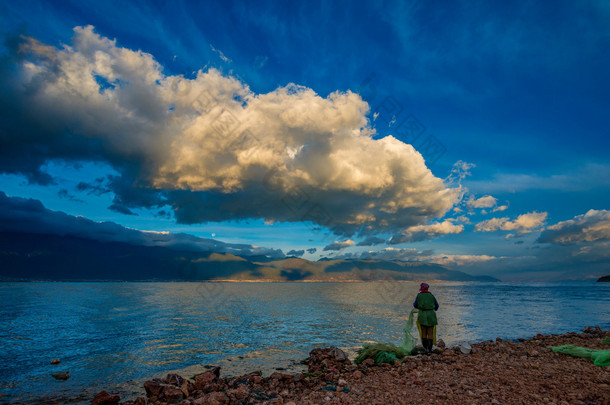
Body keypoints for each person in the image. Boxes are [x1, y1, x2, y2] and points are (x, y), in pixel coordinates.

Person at [413, 283, 439, 353]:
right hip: (431, 315)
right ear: (427, 288)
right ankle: (429, 350)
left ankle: (425, 348)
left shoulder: (419, 296)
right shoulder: (431, 296)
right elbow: (436, 306)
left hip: (422, 315)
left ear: (421, 288)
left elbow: (415, 305)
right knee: (430, 333)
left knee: (423, 333)